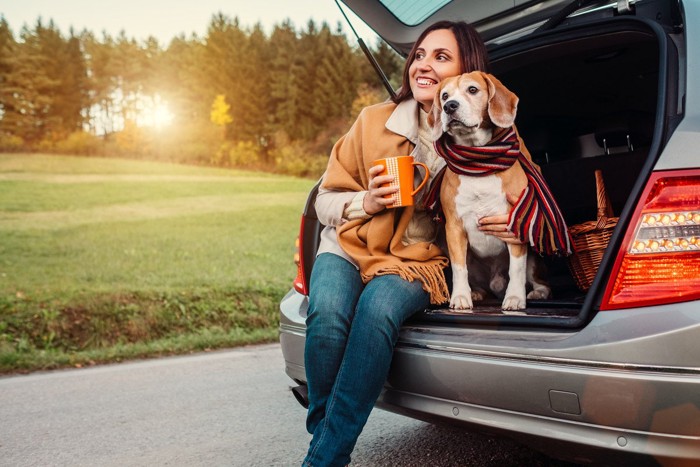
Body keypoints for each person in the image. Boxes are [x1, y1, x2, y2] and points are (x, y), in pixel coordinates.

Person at [302, 20, 519, 467]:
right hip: (351, 243)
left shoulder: (489, 136)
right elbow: (324, 200)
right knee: (326, 317)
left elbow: (529, 192)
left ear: (466, 74)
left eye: (441, 58)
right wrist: (368, 199)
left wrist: (521, 221)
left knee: (377, 311)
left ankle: (323, 458)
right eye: (420, 54)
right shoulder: (372, 121)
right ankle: (326, 447)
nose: (423, 65)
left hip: (420, 259)